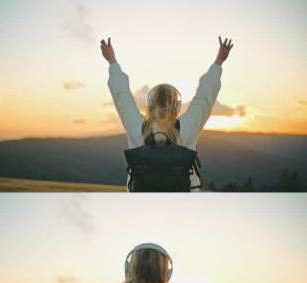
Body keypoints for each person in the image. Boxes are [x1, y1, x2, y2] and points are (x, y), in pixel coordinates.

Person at [100, 36, 234, 191]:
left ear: (150, 107)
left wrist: (112, 61)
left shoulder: (138, 128)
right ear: (176, 107)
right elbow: (204, 97)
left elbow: (122, 96)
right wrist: (219, 61)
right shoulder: (188, 127)